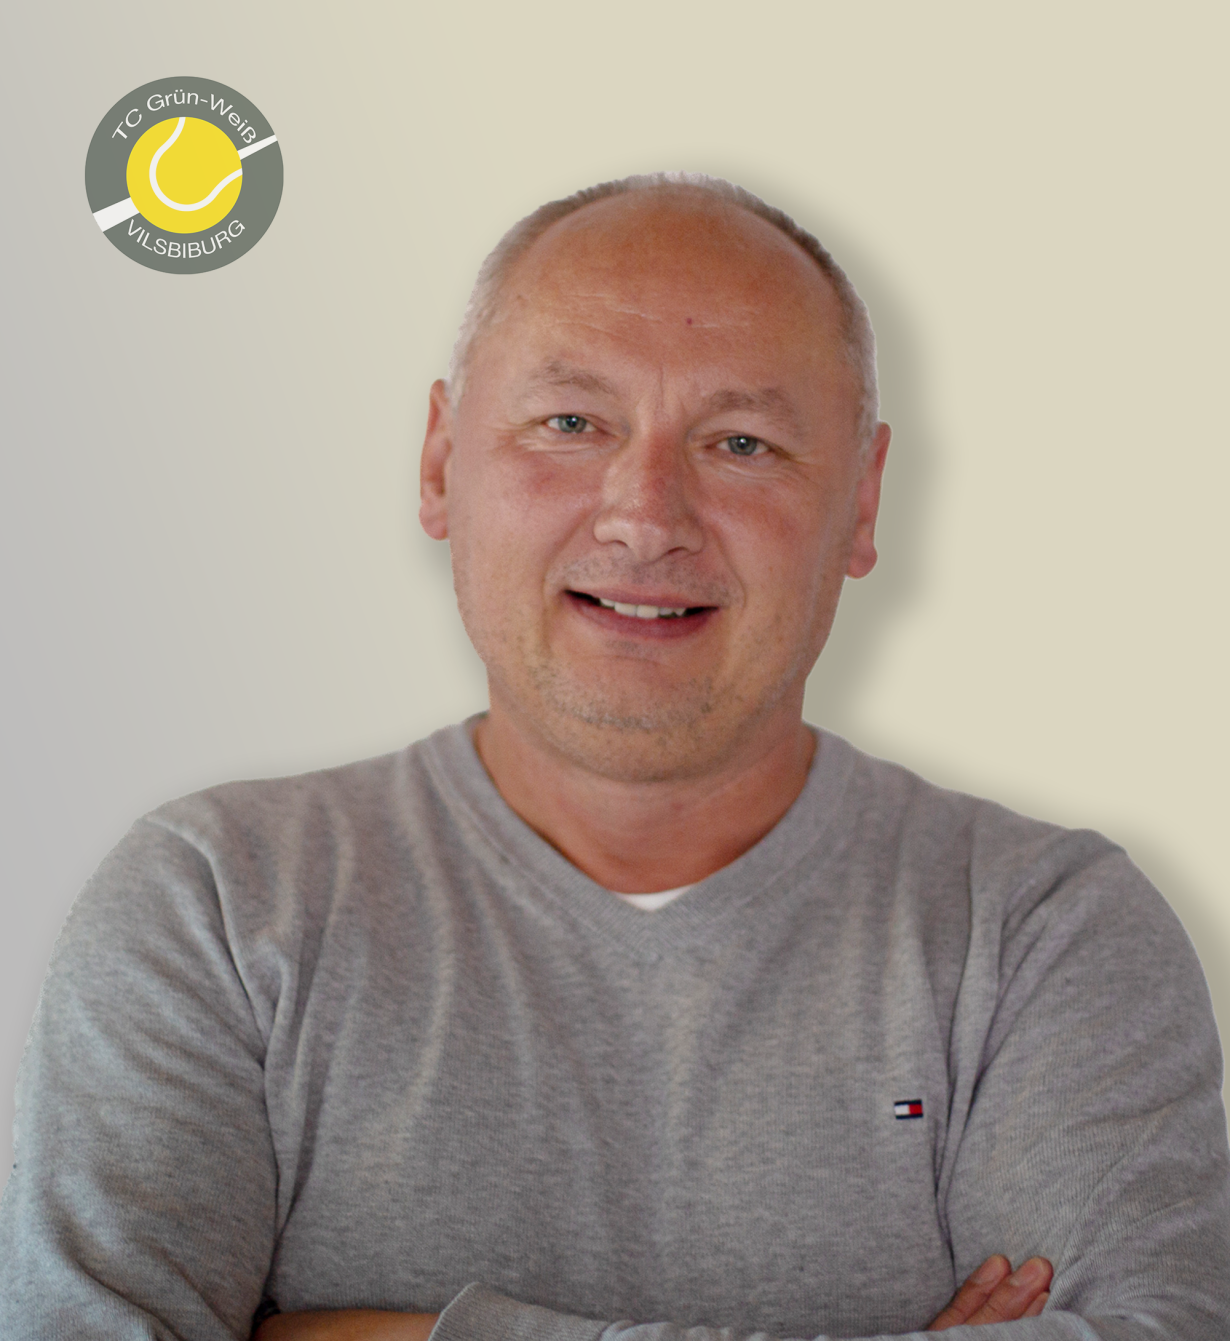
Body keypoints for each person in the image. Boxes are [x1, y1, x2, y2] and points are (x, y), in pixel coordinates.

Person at [1, 174, 1227, 1341]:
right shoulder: (215, 904)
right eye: (571, 423)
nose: (645, 516)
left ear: (860, 504)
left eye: (741, 443)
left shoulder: (1042, 931)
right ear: (439, 464)